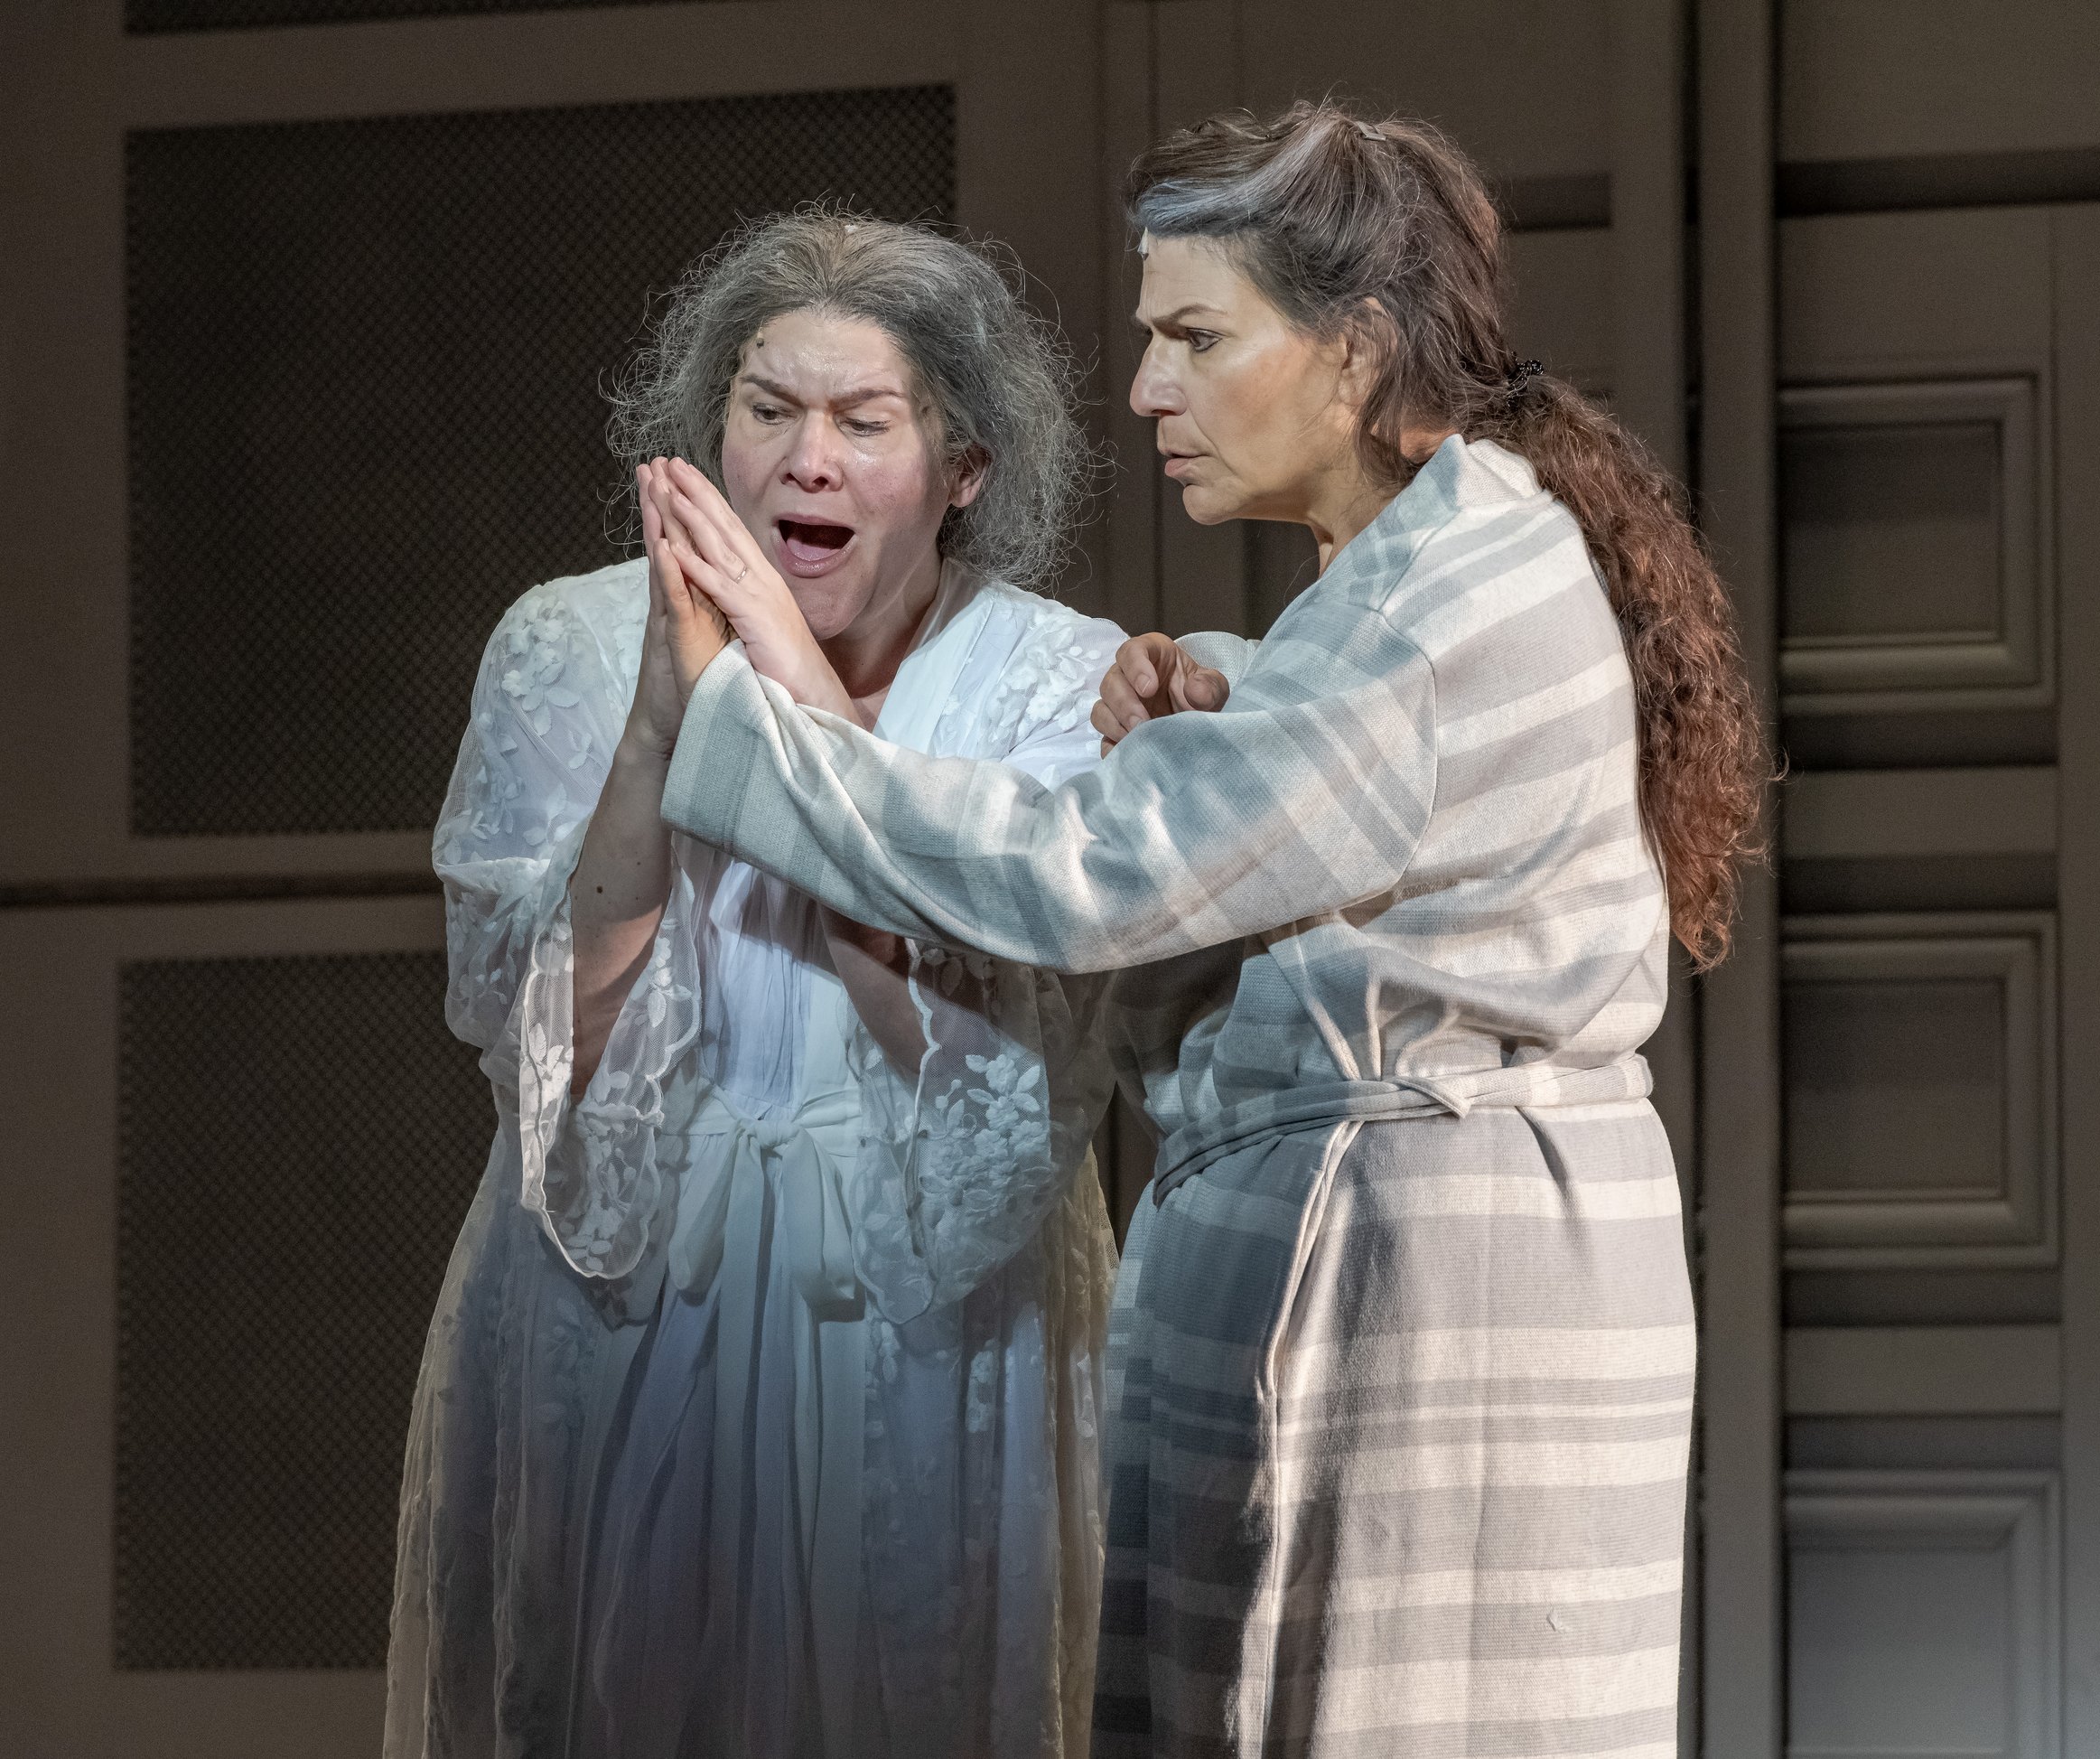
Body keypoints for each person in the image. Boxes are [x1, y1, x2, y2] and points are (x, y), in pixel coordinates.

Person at [650, 102, 1766, 1756]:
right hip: (1395, 1249)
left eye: (1193, 337)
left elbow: (1081, 876)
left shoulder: (1448, 598)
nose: (1148, 390)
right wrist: (1228, 699)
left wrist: (752, 727)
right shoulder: (1415, 574)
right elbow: (1347, 827)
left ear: (1354, 351)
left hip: (1421, 1284)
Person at [385, 211, 1127, 1759]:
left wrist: (791, 700)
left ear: (963, 468)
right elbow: (548, 1053)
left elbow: (1000, 1091)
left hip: (930, 1322)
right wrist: (668, 722)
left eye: (866, 423)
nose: (807, 461)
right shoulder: (565, 645)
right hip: (622, 1301)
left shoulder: (1057, 680)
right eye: (767, 411)